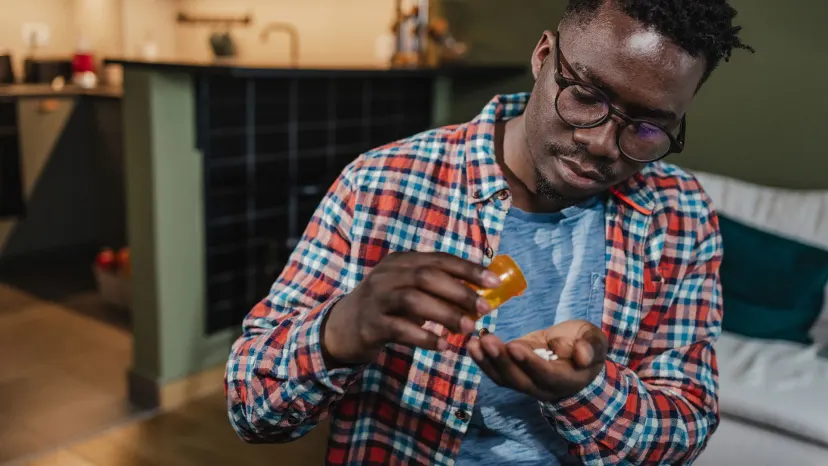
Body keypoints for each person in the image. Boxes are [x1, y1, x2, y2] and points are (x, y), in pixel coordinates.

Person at [225, 0, 753, 464]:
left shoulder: (680, 213)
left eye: (647, 127)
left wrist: (588, 391)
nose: (601, 144)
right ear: (544, 56)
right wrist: (338, 333)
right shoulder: (383, 185)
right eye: (588, 96)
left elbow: (687, 424)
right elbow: (250, 408)